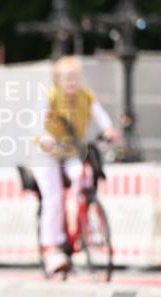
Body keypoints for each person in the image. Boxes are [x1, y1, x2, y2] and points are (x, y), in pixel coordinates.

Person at [33, 56, 119, 275]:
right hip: (47, 154)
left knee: (84, 175)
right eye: (67, 78)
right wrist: (44, 139)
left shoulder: (87, 97)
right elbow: (36, 123)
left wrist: (109, 130)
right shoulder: (50, 97)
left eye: (75, 77)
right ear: (57, 81)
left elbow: (102, 118)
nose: (72, 82)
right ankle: (51, 249)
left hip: (71, 151)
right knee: (53, 199)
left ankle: (87, 220)